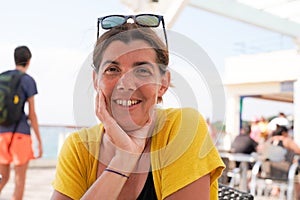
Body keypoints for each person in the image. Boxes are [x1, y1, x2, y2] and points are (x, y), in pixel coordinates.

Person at [51, 14, 225, 200]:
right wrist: (124, 160)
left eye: (142, 71)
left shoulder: (183, 127)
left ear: (163, 83)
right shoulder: (79, 148)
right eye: (112, 69)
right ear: (96, 80)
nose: (126, 84)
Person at [0, 46, 43, 199]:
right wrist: (38, 139)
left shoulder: (2, 78)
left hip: (1, 134)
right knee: (20, 180)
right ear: (29, 61)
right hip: (20, 135)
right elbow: (32, 114)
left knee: (3, 177)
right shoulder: (28, 81)